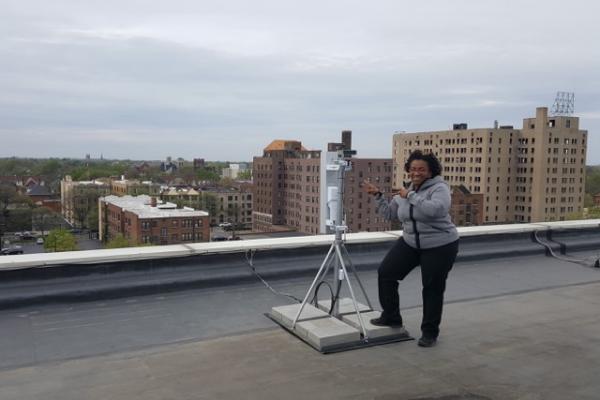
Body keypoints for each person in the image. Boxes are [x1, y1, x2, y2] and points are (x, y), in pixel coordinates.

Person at [363, 150, 459, 347]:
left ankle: (430, 333)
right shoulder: (405, 190)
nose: (416, 172)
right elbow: (390, 215)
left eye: (421, 169)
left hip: (440, 244)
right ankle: (391, 317)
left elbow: (436, 210)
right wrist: (378, 196)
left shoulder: (439, 188)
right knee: (386, 273)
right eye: (413, 169)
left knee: (432, 288)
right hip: (410, 242)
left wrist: (411, 195)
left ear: (430, 171)